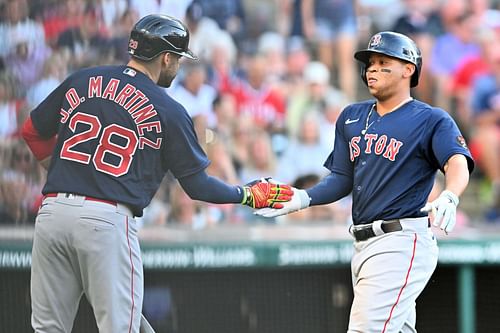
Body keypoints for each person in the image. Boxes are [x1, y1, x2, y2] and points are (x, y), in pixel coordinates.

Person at [21, 14, 293, 333]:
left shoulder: (82, 79)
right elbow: (197, 186)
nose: (177, 66)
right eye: (177, 59)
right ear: (165, 58)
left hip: (52, 213)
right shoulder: (168, 108)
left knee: (49, 329)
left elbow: (31, 132)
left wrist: (69, 175)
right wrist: (246, 195)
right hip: (106, 221)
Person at [256, 31, 474, 332]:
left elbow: (456, 160)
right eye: (370, 62)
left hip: (401, 240)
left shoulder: (430, 119)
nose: (372, 68)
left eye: (383, 62)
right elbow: (342, 179)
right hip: (362, 245)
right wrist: (302, 198)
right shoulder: (351, 116)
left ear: (408, 69)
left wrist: (450, 194)